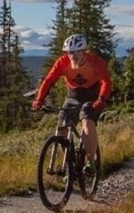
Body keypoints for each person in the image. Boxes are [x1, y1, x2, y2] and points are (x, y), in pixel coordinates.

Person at [31, 33, 113, 172]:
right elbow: (49, 81)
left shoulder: (96, 62)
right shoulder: (62, 62)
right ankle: (70, 162)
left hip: (92, 97)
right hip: (72, 96)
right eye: (69, 53)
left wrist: (101, 99)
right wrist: (39, 99)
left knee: (87, 121)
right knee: (62, 128)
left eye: (75, 53)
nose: (72, 56)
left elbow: (106, 82)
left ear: (83, 51)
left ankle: (91, 162)